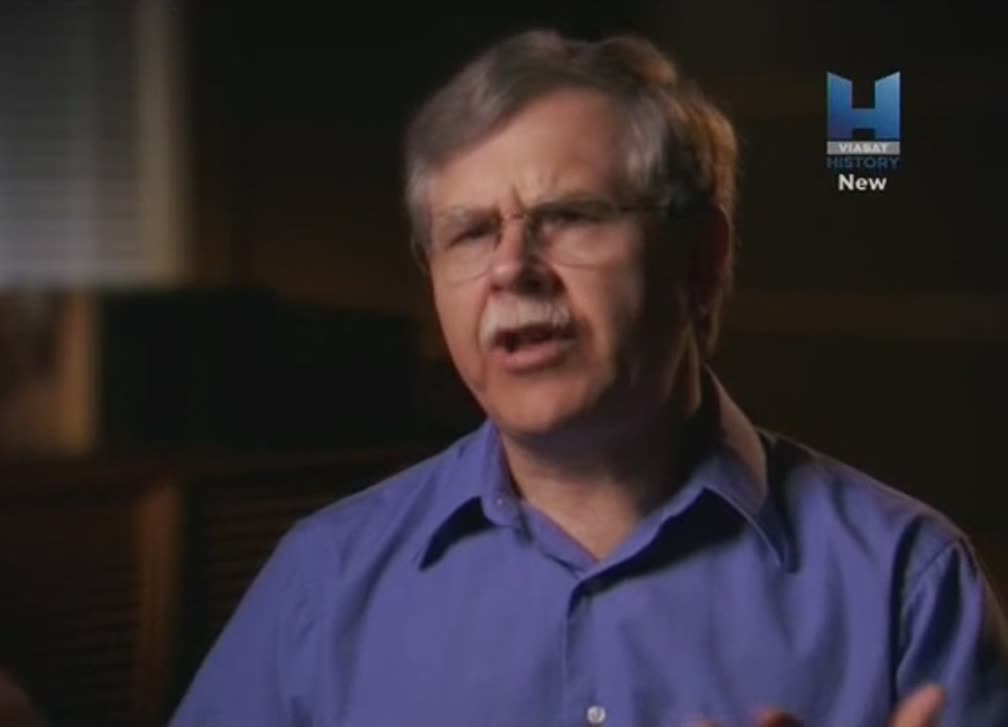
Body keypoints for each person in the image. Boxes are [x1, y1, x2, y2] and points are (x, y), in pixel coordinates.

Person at [168, 30, 1008, 726]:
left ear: (700, 261)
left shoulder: (907, 582)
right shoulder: (322, 580)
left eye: (567, 216)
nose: (511, 269)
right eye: (470, 233)